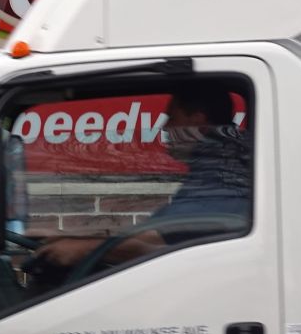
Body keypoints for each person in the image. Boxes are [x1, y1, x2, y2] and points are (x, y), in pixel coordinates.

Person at [32, 84, 250, 269]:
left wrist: (82, 248)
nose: (164, 127)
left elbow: (160, 238)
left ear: (198, 123)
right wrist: (75, 240)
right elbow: (161, 231)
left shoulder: (224, 171)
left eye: (172, 118)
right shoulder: (220, 163)